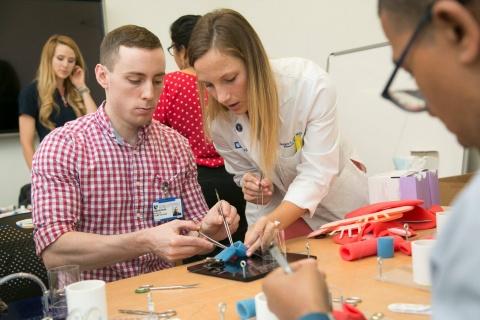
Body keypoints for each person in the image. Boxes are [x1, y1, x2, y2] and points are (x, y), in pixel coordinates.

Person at [263, 0, 480, 319]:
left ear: (456, 29)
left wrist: (309, 313)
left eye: (412, 72)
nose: (427, 106)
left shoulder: (470, 225)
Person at [31, 24, 239, 282]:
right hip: (99, 302)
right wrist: (146, 241)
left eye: (158, 80)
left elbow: (192, 230)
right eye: (135, 80)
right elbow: (54, 252)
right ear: (102, 76)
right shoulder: (64, 147)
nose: (149, 94)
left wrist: (209, 230)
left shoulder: (175, 145)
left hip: (169, 294)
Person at [188, 8, 368, 255]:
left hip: (337, 206)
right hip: (276, 216)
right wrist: (252, 186)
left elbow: (317, 173)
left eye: (230, 79)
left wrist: (275, 221)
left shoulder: (309, 85)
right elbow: (243, 174)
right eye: (208, 85)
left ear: (254, 61)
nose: (222, 96)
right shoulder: (220, 121)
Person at [153, 15, 247, 242]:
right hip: (238, 174)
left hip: (198, 182)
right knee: (244, 245)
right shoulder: (226, 83)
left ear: (182, 49)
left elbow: (153, 133)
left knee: (204, 250)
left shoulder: (170, 84)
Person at [18, 34, 97, 170]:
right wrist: (38, 175)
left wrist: (81, 86)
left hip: (82, 166)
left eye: (71, 60)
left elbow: (95, 123)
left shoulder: (75, 92)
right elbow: (26, 142)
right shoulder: (31, 92)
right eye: (60, 58)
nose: (65, 65)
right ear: (49, 59)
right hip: (52, 167)